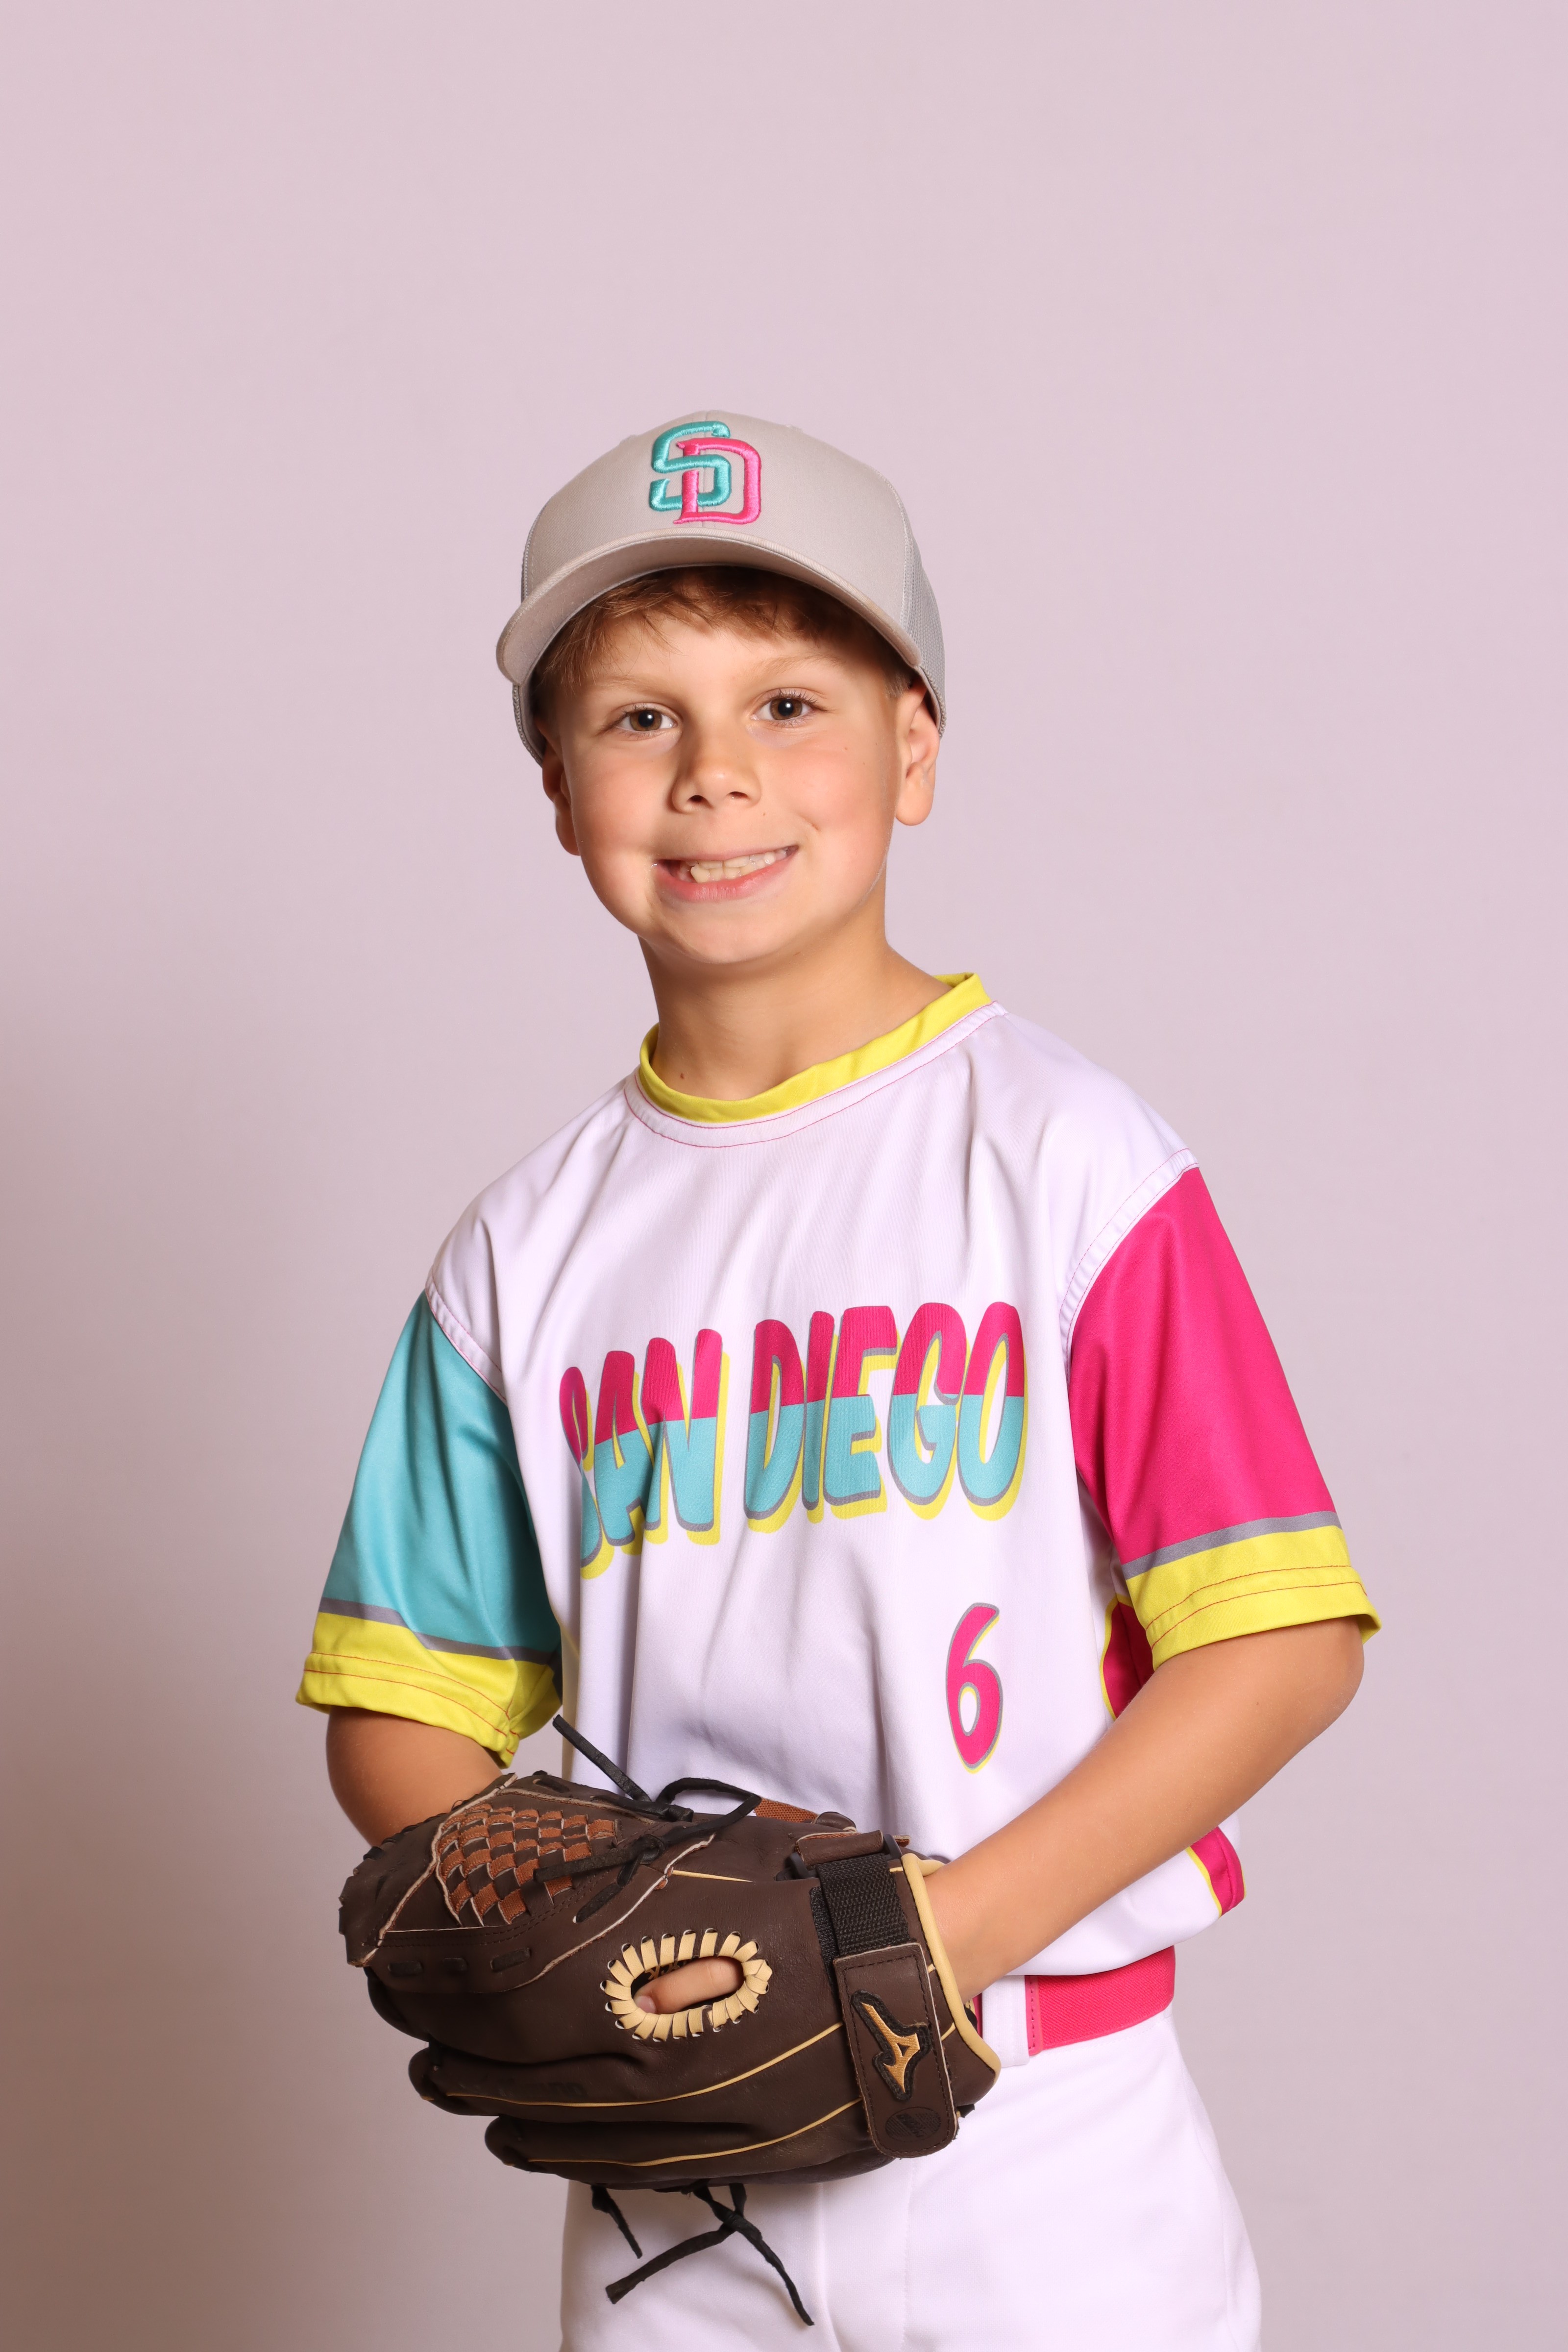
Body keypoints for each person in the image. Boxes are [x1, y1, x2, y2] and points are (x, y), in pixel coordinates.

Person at [298, 411, 1378, 2351]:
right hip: (680, 2145)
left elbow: (1278, 1641)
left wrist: (925, 1942)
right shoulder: (520, 1257)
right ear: (556, 790)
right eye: (637, 718)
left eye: (788, 703)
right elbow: (402, 1712)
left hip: (1041, 2120)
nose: (712, 773)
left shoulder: (1066, 1160)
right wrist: (566, 1944)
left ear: (914, 749)